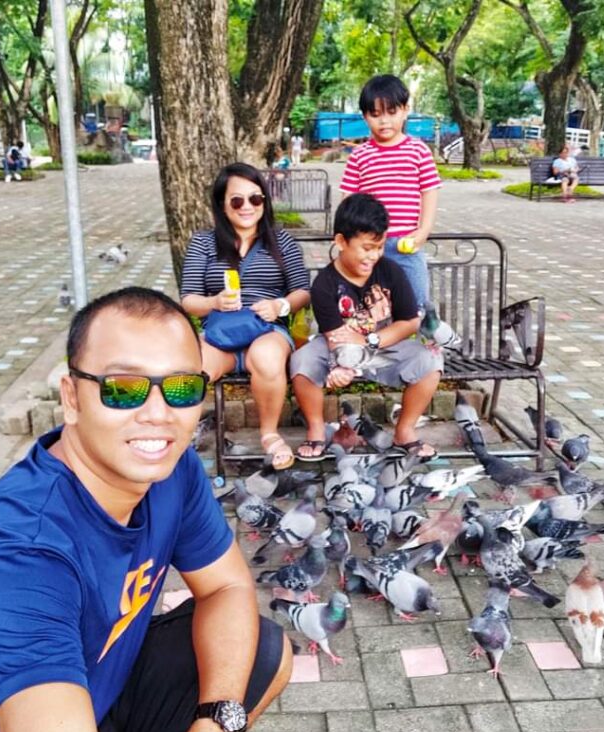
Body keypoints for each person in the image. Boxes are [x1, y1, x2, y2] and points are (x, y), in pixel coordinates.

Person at [0, 287, 291, 732]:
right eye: (123, 388)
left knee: (264, 650)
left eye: (181, 388)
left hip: (93, 698)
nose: (158, 415)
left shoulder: (171, 471)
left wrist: (216, 729)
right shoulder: (19, 555)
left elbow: (228, 587)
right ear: (71, 398)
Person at [289, 193, 442, 461]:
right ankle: (315, 430)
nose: (373, 256)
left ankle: (404, 432)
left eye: (380, 246)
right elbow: (335, 336)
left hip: (383, 345)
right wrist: (342, 366)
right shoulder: (324, 284)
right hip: (336, 346)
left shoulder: (391, 270)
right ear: (340, 242)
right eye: (367, 247)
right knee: (302, 361)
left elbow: (409, 322)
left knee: (430, 360)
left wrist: (371, 341)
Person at [181, 163, 311, 471]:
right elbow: (188, 299)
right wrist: (214, 302)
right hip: (220, 335)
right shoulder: (203, 242)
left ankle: (269, 434)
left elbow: (302, 291)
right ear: (223, 204)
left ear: (265, 201)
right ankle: (178, 436)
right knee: (190, 369)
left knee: (266, 357)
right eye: (237, 200)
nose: (247, 207)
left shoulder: (282, 241)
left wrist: (279, 306)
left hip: (266, 330)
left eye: (255, 198)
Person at [340, 74, 441, 314]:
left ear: (406, 110)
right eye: (375, 115)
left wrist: (423, 231)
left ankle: (425, 346)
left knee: (417, 305)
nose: (384, 121)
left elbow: (429, 191)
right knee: (369, 308)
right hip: (369, 247)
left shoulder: (418, 151)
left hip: (408, 245)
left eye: (392, 112)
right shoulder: (359, 156)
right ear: (365, 117)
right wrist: (350, 238)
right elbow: (348, 200)